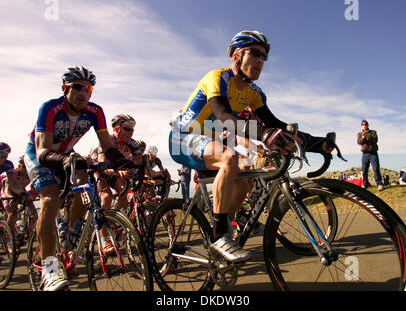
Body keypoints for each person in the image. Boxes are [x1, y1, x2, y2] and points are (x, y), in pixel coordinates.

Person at [169, 30, 333, 263]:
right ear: (236, 56)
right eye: (254, 53)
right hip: (183, 138)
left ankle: (225, 226)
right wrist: (265, 134)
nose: (260, 60)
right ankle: (218, 237)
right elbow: (224, 116)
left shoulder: (254, 93)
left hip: (209, 142)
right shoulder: (217, 77)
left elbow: (277, 124)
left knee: (245, 180)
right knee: (229, 157)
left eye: (264, 57)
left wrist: (317, 143)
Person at [24, 66, 135, 291]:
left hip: (65, 155)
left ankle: (72, 229)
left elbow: (108, 147)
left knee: (86, 188)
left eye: (88, 88)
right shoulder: (50, 108)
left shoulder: (95, 111)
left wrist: (125, 164)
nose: (83, 92)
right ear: (65, 88)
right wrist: (64, 160)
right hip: (39, 155)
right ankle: (50, 271)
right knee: (50, 200)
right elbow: (42, 151)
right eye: (77, 87)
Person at [92, 114, 142, 253]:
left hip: (115, 173)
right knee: (106, 196)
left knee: (127, 191)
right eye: (127, 129)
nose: (131, 133)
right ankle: (104, 240)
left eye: (132, 130)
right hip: (101, 172)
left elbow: (139, 164)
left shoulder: (132, 144)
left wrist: (138, 174)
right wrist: (118, 172)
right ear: (117, 129)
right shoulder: (108, 139)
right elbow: (102, 166)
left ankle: (114, 219)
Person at [357, 119, 384, 191]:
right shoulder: (359, 134)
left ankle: (379, 184)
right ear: (361, 126)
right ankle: (365, 184)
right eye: (362, 124)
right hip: (365, 154)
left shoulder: (373, 132)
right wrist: (363, 138)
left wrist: (366, 136)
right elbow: (359, 142)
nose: (364, 125)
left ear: (367, 125)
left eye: (365, 124)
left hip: (373, 153)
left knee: (376, 168)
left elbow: (375, 140)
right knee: (364, 170)